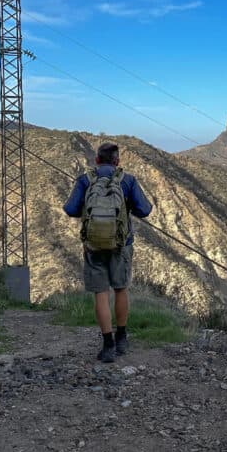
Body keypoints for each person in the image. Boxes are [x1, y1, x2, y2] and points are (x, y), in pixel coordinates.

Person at [63, 143, 154, 363]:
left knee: (101, 294)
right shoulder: (127, 180)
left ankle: (108, 345)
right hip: (122, 244)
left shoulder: (85, 180)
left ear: (97, 160)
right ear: (117, 161)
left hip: (93, 246)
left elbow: (70, 209)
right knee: (121, 289)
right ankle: (121, 338)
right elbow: (145, 210)